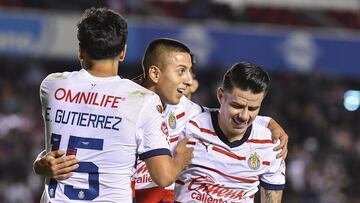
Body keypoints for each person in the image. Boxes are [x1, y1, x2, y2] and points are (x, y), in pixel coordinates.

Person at [34, 39, 289, 202]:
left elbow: (223, 116)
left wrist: (269, 123)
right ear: (156, 73)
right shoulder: (120, 103)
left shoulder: (189, 114)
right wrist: (41, 164)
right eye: (182, 72)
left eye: (190, 73)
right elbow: (71, 148)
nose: (190, 81)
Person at [36, 8, 193, 203]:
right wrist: (181, 158)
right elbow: (163, 176)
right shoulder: (142, 100)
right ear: (123, 52)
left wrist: (39, 164)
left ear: (81, 51)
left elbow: (66, 141)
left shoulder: (52, 86)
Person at [174, 61, 285, 203]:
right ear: (221, 96)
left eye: (252, 109)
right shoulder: (189, 128)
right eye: (237, 106)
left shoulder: (271, 144)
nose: (244, 116)